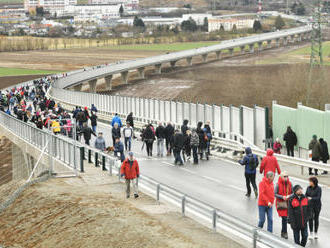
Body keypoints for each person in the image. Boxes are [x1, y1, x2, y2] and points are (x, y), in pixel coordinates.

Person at [275, 171, 293, 239]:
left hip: (289, 203)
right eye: (284, 176)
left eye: (287, 176)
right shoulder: (278, 184)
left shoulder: (290, 184)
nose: (286, 178)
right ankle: (285, 232)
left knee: (286, 219)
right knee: (284, 218)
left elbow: (294, 192)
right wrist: (282, 197)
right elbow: (275, 194)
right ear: (281, 177)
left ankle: (283, 231)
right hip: (281, 203)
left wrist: (289, 196)